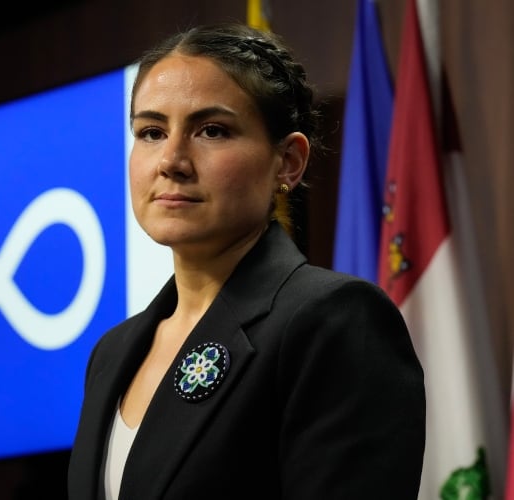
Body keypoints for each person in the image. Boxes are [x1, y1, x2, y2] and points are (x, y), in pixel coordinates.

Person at [67, 22, 425, 500]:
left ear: (288, 162)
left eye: (212, 130)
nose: (170, 160)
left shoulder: (333, 320)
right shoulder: (111, 354)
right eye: (151, 132)